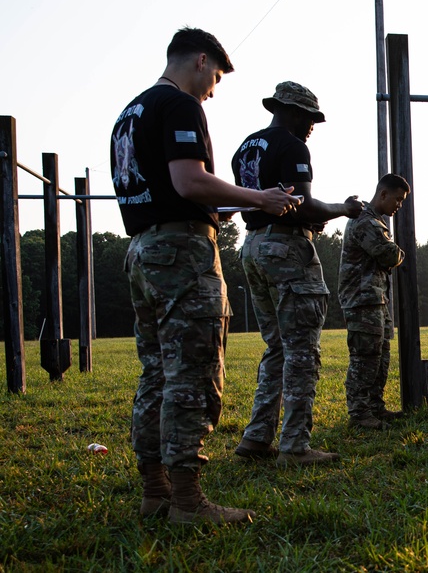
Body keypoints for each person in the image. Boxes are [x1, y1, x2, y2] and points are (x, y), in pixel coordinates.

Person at [110, 27, 301, 524]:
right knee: (193, 376)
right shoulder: (179, 105)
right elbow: (188, 179)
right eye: (215, 77)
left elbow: (167, 189)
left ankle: (156, 493)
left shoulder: (128, 115)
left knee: (155, 373)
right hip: (181, 256)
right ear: (200, 61)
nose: (213, 89)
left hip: (144, 251)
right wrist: (260, 197)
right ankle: (190, 502)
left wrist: (221, 207)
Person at [231, 81, 364, 466]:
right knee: (302, 351)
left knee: (276, 348)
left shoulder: (246, 146)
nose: (311, 127)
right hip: (287, 251)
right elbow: (302, 206)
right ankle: (294, 446)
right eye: (308, 118)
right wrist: (343, 208)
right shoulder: (292, 146)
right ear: (290, 112)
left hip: (253, 246)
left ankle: (256, 439)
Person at [338, 173, 410, 430]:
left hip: (375, 298)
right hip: (362, 299)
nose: (398, 205)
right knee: (365, 357)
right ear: (382, 194)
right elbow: (388, 254)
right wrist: (399, 251)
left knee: (380, 357)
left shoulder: (376, 221)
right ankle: (359, 413)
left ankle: (375, 407)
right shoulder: (365, 221)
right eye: (397, 199)